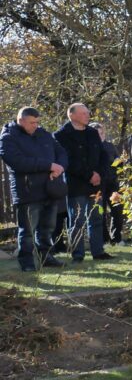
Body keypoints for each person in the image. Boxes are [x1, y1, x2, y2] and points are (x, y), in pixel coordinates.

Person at [0, 107, 67, 271]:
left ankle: (46, 257)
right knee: (28, 231)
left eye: (37, 122)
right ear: (21, 120)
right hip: (27, 191)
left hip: (49, 189)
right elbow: (17, 162)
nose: (35, 125)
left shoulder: (43, 134)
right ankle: (27, 262)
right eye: (32, 122)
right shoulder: (8, 137)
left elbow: (61, 152)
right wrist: (48, 165)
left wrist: (59, 168)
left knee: (47, 229)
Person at [55, 103, 113, 262]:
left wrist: (99, 174)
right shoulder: (61, 135)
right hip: (77, 183)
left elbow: (103, 155)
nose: (88, 116)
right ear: (72, 115)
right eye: (83, 113)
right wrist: (89, 175)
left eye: (88, 113)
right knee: (77, 220)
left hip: (96, 183)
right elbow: (69, 161)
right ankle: (78, 254)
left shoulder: (92, 133)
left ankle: (98, 251)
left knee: (96, 218)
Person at [91, 122, 124, 246]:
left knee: (118, 210)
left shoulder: (110, 146)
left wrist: (119, 162)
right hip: (98, 184)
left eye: (101, 133)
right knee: (101, 212)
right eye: (97, 134)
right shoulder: (91, 148)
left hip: (112, 183)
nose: (100, 136)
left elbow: (118, 162)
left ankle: (117, 238)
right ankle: (104, 239)